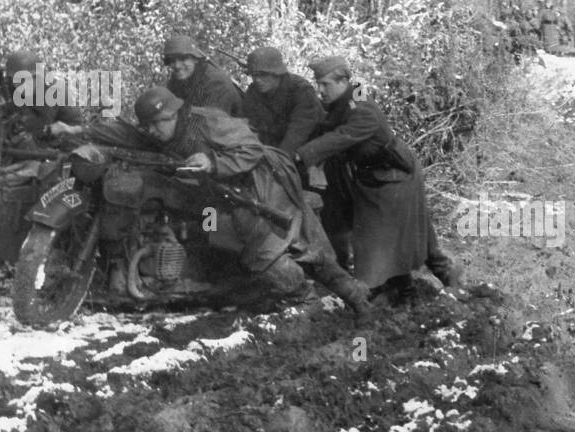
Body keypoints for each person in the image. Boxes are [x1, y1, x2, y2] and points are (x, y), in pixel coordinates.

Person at [51, 86, 372, 313]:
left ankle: (339, 300)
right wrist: (76, 131)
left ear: (176, 113)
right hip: (222, 192)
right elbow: (119, 134)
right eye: (150, 125)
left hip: (259, 182)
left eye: (161, 122)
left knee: (290, 251)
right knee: (231, 241)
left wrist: (213, 163)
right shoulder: (159, 131)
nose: (156, 130)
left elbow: (251, 150)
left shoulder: (208, 122)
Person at [293, 56, 463, 305]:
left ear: (343, 81)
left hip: (395, 173)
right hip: (373, 176)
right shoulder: (347, 97)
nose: (320, 90)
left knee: (393, 236)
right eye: (317, 83)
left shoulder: (361, 108)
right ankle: (424, 282)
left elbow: (341, 135)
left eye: (325, 84)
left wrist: (303, 154)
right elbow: (330, 121)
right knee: (404, 234)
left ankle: (414, 292)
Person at [0, 48, 82, 165]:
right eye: (21, 80)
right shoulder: (3, 90)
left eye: (33, 78)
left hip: (57, 147)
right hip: (18, 150)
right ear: (11, 79)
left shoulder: (53, 91)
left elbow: (49, 126)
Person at [240, 46, 324, 159]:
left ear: (277, 74)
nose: (257, 80)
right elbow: (249, 127)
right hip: (274, 150)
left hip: (309, 151)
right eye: (254, 75)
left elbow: (297, 134)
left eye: (263, 74)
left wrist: (276, 161)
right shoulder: (253, 92)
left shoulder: (301, 90)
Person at [162, 34, 243, 116]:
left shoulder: (215, 81)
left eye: (183, 59)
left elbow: (214, 120)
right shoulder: (178, 79)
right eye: (171, 60)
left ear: (195, 59)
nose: (177, 65)